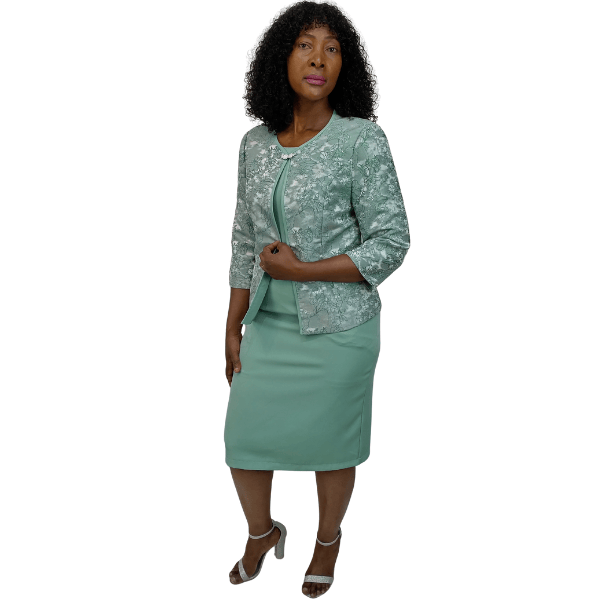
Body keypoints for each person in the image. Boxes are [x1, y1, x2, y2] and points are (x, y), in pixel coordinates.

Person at [223, 2, 410, 597]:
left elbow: (392, 241)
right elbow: (244, 238)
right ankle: (261, 532)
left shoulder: (361, 140)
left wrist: (302, 272)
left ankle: (327, 539)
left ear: (344, 66)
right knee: (243, 444)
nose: (319, 59)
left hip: (340, 329)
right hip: (268, 325)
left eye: (332, 49)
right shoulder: (255, 144)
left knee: (331, 448)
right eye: (306, 44)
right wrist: (232, 325)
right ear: (281, 58)